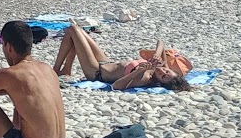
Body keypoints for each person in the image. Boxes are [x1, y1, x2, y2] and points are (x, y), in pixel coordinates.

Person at [51, 26, 190, 92]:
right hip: (106, 61)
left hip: (97, 72)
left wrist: (137, 71)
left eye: (163, 76)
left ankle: (56, 70)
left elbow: (116, 86)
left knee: (73, 30)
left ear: (159, 82)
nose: (162, 72)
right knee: (79, 32)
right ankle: (66, 70)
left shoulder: (145, 78)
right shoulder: (159, 65)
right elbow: (161, 42)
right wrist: (157, 54)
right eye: (167, 71)